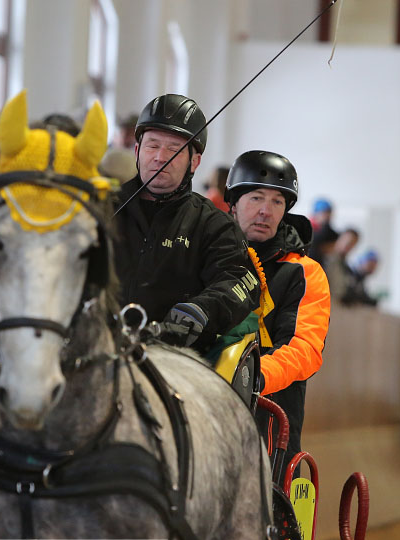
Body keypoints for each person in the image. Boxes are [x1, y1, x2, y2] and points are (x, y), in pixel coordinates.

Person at [113, 93, 260, 352]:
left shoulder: (215, 225)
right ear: (137, 151)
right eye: (152, 145)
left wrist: (201, 311)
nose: (160, 157)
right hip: (98, 348)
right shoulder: (103, 210)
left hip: (175, 357)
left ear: (195, 161)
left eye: (174, 149)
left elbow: (238, 282)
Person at [225, 150, 331, 468]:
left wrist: (253, 377)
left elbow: (304, 349)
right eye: (256, 197)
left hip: (269, 422)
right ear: (233, 203)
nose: (266, 211)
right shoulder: (205, 257)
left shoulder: (305, 271)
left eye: (277, 202)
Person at [323, 227, 360, 302]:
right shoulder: (325, 257)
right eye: (347, 241)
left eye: (352, 244)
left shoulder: (345, 265)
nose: (348, 245)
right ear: (340, 238)